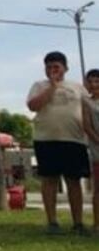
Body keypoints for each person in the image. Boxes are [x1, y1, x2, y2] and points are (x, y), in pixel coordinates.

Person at [26, 51, 91, 236]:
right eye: (49, 67)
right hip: (46, 140)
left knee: (74, 181)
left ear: (65, 68)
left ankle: (78, 223)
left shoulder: (78, 87)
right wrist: (52, 87)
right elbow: (33, 106)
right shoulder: (39, 86)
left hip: (74, 140)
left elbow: (90, 109)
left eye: (56, 67)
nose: (52, 70)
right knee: (49, 180)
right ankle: (52, 222)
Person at [83, 68, 99, 232]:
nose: (94, 85)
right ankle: (97, 223)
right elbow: (87, 126)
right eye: (91, 81)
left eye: (97, 81)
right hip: (97, 152)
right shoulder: (86, 102)